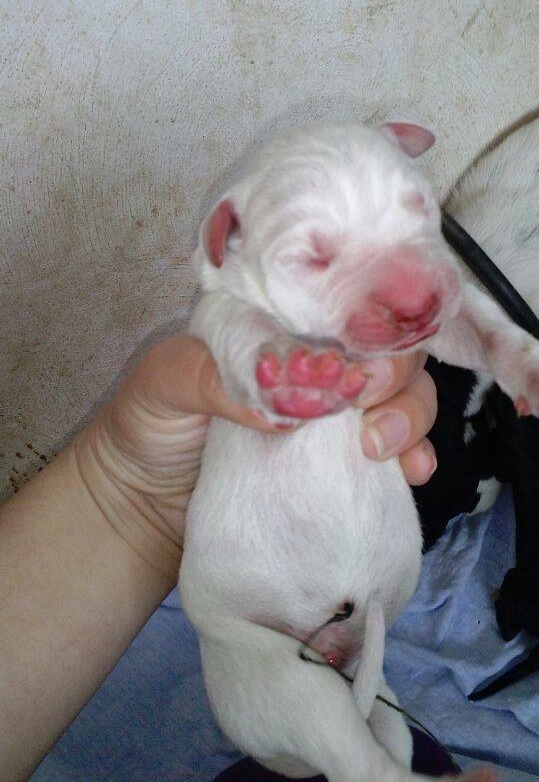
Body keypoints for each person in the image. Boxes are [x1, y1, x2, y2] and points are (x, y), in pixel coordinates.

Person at [0, 335, 438, 782]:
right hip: (329, 607)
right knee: (404, 748)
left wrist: (128, 493)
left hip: (295, 610)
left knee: (390, 741)